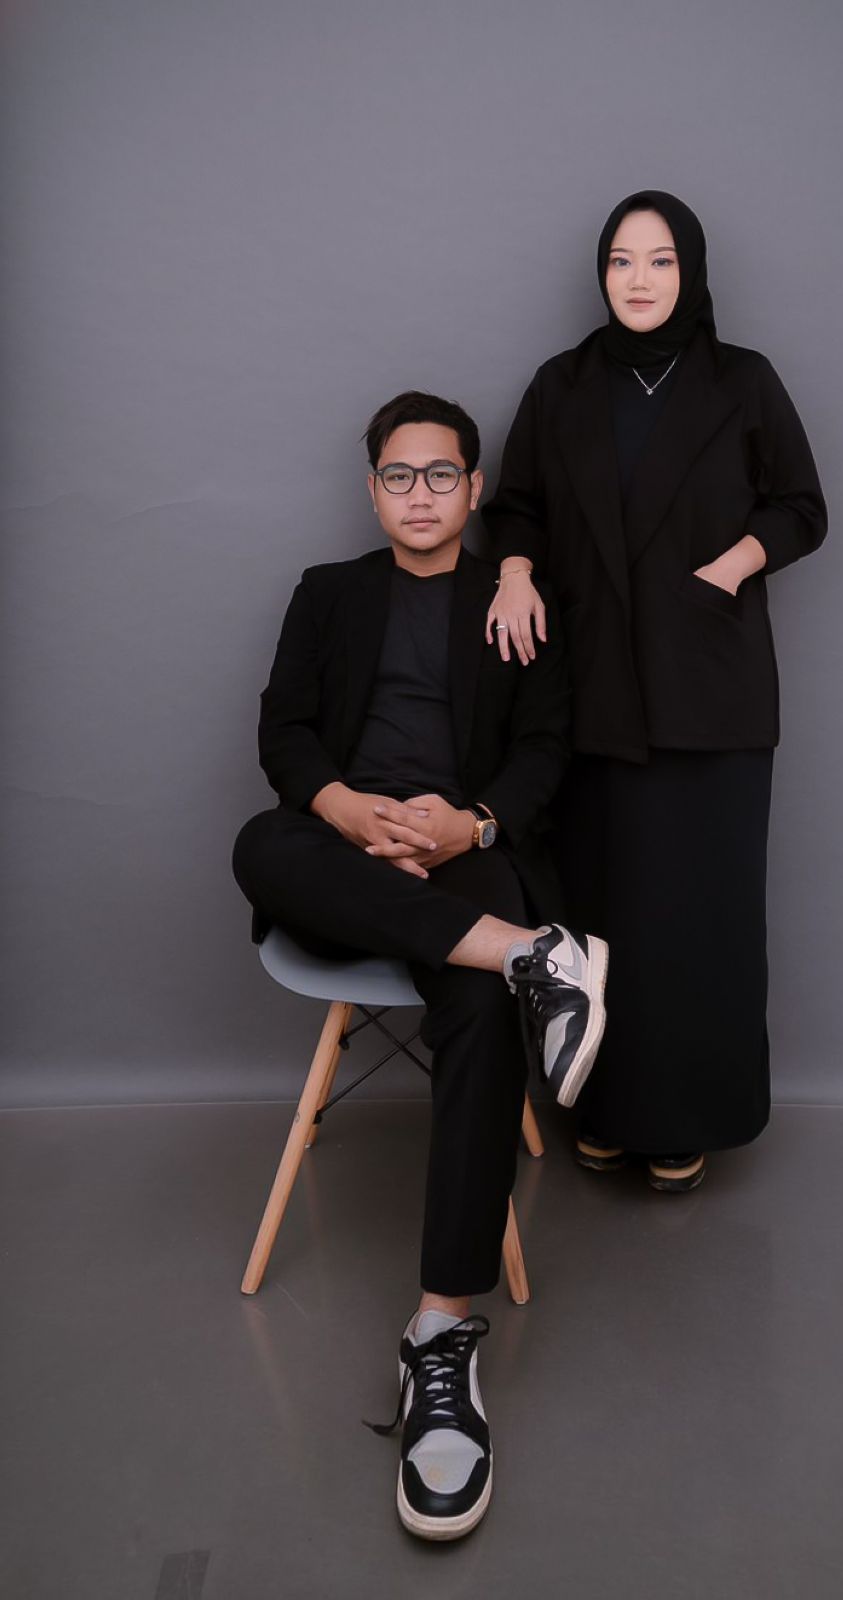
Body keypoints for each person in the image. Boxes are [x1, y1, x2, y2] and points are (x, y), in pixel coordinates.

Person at [232, 390, 608, 1541]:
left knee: (480, 1011)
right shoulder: (327, 592)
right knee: (261, 844)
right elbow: (284, 730)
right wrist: (349, 811)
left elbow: (545, 747)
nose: (420, 495)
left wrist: (470, 826)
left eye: (441, 474)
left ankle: (439, 1334)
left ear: (473, 487)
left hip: (461, 855)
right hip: (345, 856)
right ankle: (536, 956)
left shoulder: (513, 598)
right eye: (398, 475)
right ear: (372, 489)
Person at [482, 190, 827, 1193]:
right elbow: (516, 505)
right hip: (590, 688)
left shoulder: (741, 379)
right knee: (602, 915)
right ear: (600, 273)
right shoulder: (560, 385)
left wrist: (730, 569)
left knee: (700, 921)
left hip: (709, 691)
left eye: (661, 260)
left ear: (691, 271)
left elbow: (801, 506)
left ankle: (688, 1121)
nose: (638, 280)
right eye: (621, 261)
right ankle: (607, 1112)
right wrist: (513, 573)